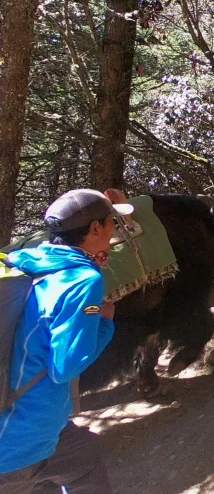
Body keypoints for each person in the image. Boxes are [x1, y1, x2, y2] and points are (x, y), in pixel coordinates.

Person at [0, 189, 132, 493]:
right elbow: (65, 366)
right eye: (111, 221)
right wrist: (104, 323)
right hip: (21, 439)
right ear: (95, 229)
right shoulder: (83, 281)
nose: (115, 228)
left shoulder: (29, 259)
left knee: (85, 457)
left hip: (30, 423)